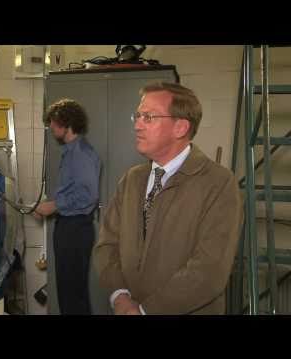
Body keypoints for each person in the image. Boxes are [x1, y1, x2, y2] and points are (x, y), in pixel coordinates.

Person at [93, 82, 243, 315]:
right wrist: (120, 296)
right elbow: (107, 245)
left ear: (180, 127)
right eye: (138, 116)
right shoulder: (132, 180)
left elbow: (209, 270)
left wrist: (145, 310)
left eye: (149, 117)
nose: (138, 125)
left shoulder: (219, 183)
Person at [34, 98, 101, 315]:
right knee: (68, 292)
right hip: (68, 227)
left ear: (67, 123)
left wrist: (54, 205)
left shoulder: (80, 153)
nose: (51, 126)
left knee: (72, 294)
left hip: (75, 228)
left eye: (54, 122)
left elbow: (88, 196)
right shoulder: (72, 151)